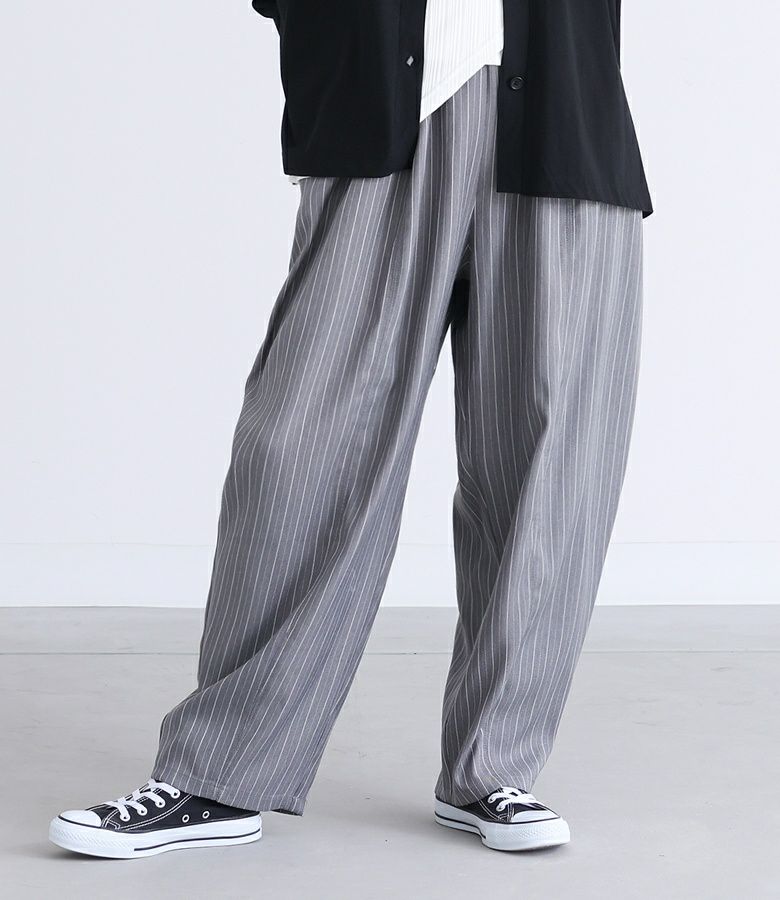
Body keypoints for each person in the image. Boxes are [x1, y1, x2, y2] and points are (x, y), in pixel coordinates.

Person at [49, 0, 652, 858]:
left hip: (564, 118)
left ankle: (494, 768)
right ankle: (221, 772)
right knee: (303, 445)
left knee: (550, 461)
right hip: (380, 113)